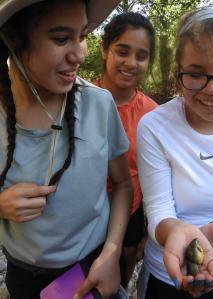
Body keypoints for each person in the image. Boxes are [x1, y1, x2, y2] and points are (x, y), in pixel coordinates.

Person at [0, 1, 134, 299]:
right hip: (23, 276)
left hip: (91, 268)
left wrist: (111, 254)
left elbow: (124, 184)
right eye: (61, 39)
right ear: (12, 37)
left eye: (83, 35)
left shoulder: (98, 104)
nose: (80, 54)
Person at [137, 5, 213, 299]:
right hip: (167, 274)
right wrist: (178, 232)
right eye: (196, 74)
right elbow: (159, 209)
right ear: (179, 73)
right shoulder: (153, 126)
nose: (212, 89)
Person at [93, 12, 158, 287]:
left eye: (141, 56)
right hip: (83, 220)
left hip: (130, 218)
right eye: (122, 51)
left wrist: (149, 232)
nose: (131, 63)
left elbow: (155, 177)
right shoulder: (76, 102)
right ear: (104, 49)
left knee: (115, 286)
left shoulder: (153, 115)